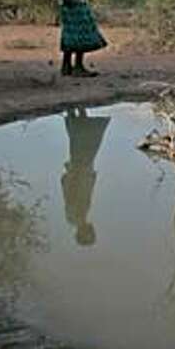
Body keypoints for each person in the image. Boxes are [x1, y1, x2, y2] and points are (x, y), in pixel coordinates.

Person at [61, 106, 110, 247]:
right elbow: (77, 192)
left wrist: (75, 172)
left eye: (90, 233)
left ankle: (75, 110)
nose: (92, 229)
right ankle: (78, 110)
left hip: (80, 170)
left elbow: (72, 191)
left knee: (82, 142)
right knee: (84, 142)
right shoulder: (78, 217)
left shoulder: (76, 217)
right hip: (81, 170)